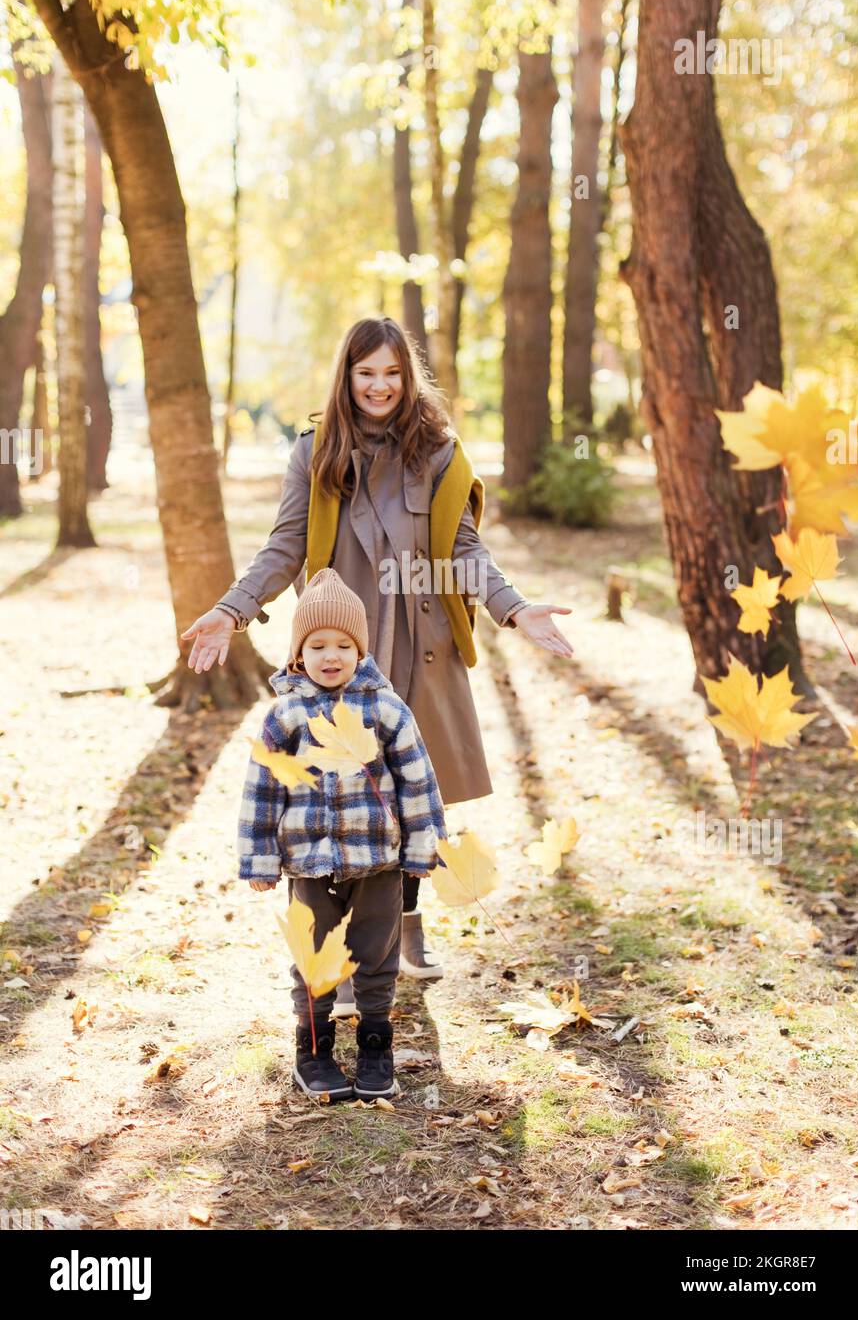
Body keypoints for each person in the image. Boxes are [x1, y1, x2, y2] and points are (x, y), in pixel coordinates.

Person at [182, 314, 573, 1002]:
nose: (380, 386)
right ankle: (335, 937)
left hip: (424, 648)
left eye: (393, 373)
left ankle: (407, 922)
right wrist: (231, 608)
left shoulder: (439, 451)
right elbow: (285, 548)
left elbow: (464, 552)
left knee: (415, 790)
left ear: (407, 375)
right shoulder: (316, 450)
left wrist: (513, 607)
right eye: (367, 373)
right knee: (338, 789)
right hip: (343, 651)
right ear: (348, 375)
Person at [238, 568, 447, 1102]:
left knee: (377, 957)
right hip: (311, 865)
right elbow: (262, 790)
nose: (330, 656)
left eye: (343, 645)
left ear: (361, 650)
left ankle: (377, 1047)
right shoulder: (284, 715)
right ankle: (314, 1052)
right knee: (314, 958)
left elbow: (419, 782)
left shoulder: (385, 709)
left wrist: (423, 847)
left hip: (379, 861)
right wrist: (260, 859)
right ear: (297, 653)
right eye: (317, 645)